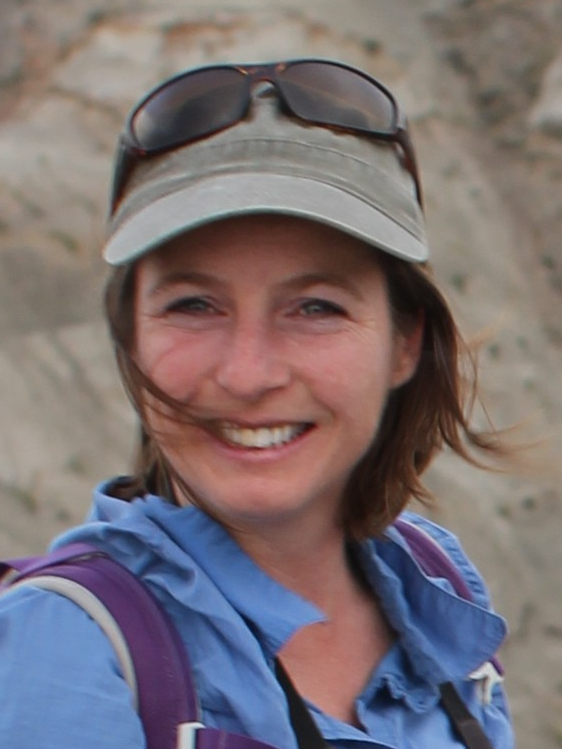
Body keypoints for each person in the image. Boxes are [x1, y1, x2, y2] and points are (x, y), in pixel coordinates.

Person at [0, 60, 513, 748]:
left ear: (405, 342)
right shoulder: (64, 652)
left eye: (316, 307)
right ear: (130, 338)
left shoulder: (434, 588)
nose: (248, 374)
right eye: (193, 305)